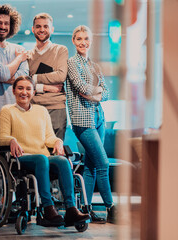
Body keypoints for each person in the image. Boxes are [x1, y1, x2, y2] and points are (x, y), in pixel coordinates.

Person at [0, 76, 90, 227]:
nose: (24, 92)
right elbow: (1, 138)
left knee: (62, 160)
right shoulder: (7, 111)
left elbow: (49, 138)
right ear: (13, 91)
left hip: (43, 158)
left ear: (33, 92)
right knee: (41, 158)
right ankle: (48, 208)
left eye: (28, 89)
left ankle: (71, 209)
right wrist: (11, 140)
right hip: (22, 157)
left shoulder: (41, 111)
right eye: (20, 88)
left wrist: (58, 141)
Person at [66, 25, 116, 224]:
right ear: (73, 41)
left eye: (86, 38)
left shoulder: (94, 65)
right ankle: (110, 207)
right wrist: (97, 92)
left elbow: (107, 92)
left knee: (91, 166)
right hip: (82, 120)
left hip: (99, 118)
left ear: (91, 40)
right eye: (78, 38)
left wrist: (93, 94)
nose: (83, 42)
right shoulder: (72, 62)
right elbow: (80, 86)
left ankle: (85, 210)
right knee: (103, 163)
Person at [0, 4, 29, 159]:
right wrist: (18, 59)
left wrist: (3, 75)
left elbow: (23, 79)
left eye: (6, 23)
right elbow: (3, 74)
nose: (3, 27)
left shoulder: (17, 48)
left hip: (14, 115)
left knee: (14, 161)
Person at [27, 13, 68, 140]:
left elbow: (61, 76)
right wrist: (46, 87)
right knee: (37, 151)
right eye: (38, 26)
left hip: (56, 107)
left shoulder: (60, 50)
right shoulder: (28, 55)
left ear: (52, 29)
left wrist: (34, 78)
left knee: (56, 154)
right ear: (33, 29)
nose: (42, 29)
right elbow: (24, 83)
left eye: (46, 26)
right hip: (34, 108)